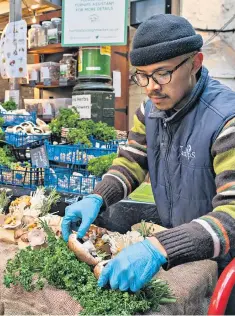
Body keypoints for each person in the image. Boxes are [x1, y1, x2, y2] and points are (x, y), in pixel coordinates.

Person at [62, 14, 235, 313]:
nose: (151, 87)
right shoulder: (149, 111)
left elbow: (232, 217)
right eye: (141, 75)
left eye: (162, 73)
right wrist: (98, 196)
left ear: (195, 64)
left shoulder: (226, 120)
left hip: (223, 267)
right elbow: (131, 163)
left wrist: (160, 247)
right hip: (179, 254)